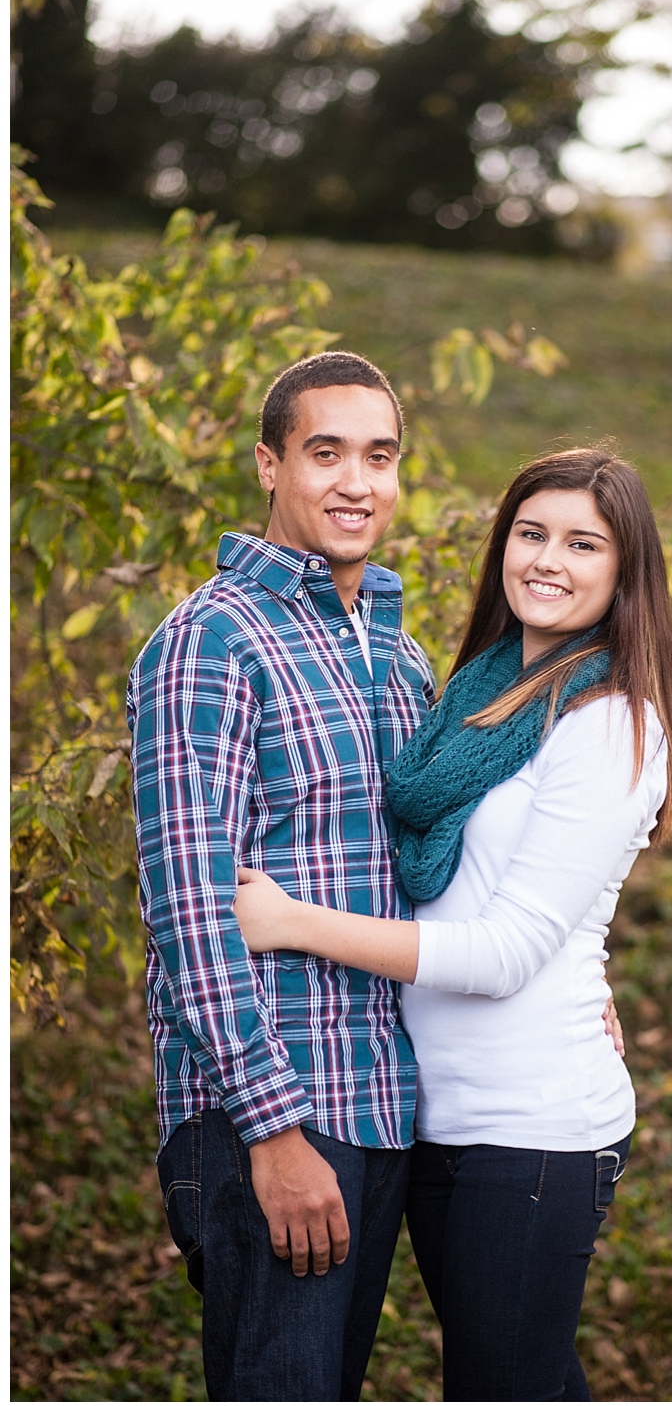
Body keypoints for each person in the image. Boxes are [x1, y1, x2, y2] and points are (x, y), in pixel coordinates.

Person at [234, 447, 672, 1401]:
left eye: (583, 543)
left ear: (624, 571)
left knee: (505, 1385)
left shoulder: (608, 723)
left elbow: (501, 952)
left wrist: (292, 922)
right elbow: (451, 891)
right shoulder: (477, 692)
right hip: (438, 1114)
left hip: (532, 1125)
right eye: (531, 533)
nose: (548, 560)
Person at [126, 351, 438, 1401]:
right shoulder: (209, 640)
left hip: (386, 1105)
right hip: (273, 1113)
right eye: (326, 453)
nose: (357, 482)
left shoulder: (403, 661)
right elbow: (188, 904)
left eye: (379, 456)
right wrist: (272, 1129)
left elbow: (440, 874)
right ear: (270, 466)